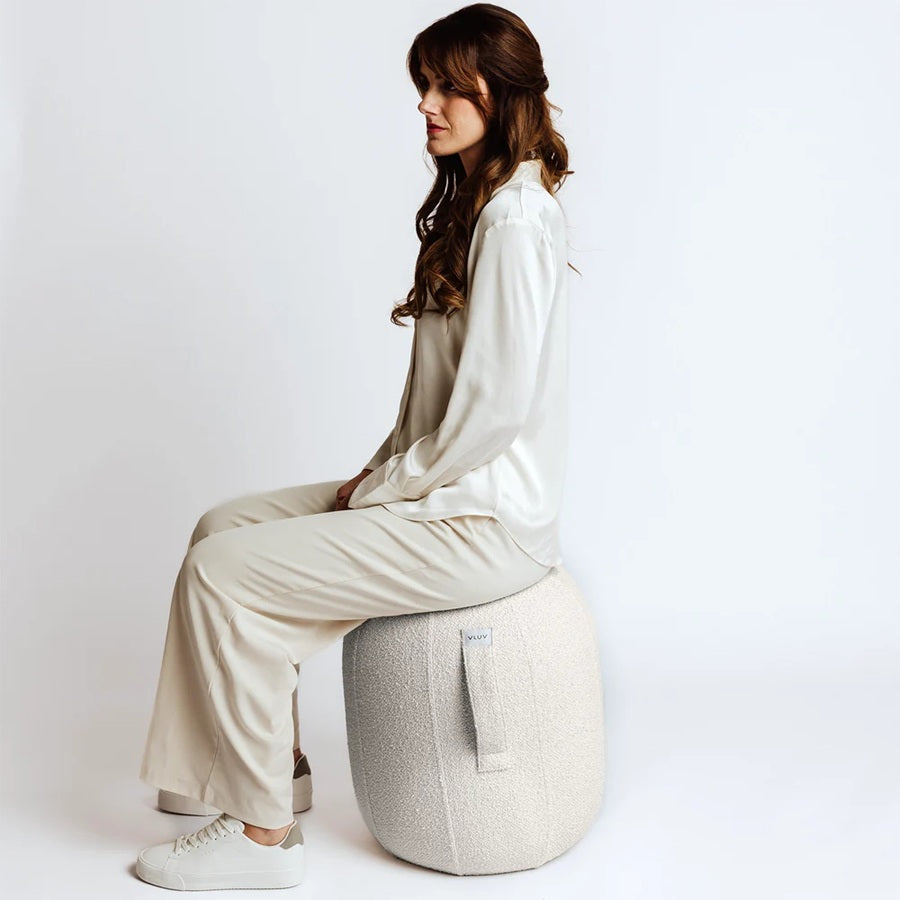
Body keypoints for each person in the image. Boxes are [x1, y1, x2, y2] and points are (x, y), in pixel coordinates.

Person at [134, 2, 576, 890]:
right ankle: (269, 769)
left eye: (449, 87)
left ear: (503, 93)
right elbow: (437, 403)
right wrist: (381, 470)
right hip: (439, 494)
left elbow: (492, 414)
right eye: (424, 84)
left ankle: (260, 839)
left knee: (223, 576)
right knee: (221, 527)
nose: (426, 104)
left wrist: (383, 491)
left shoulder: (516, 219)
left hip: (481, 523)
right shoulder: (481, 208)